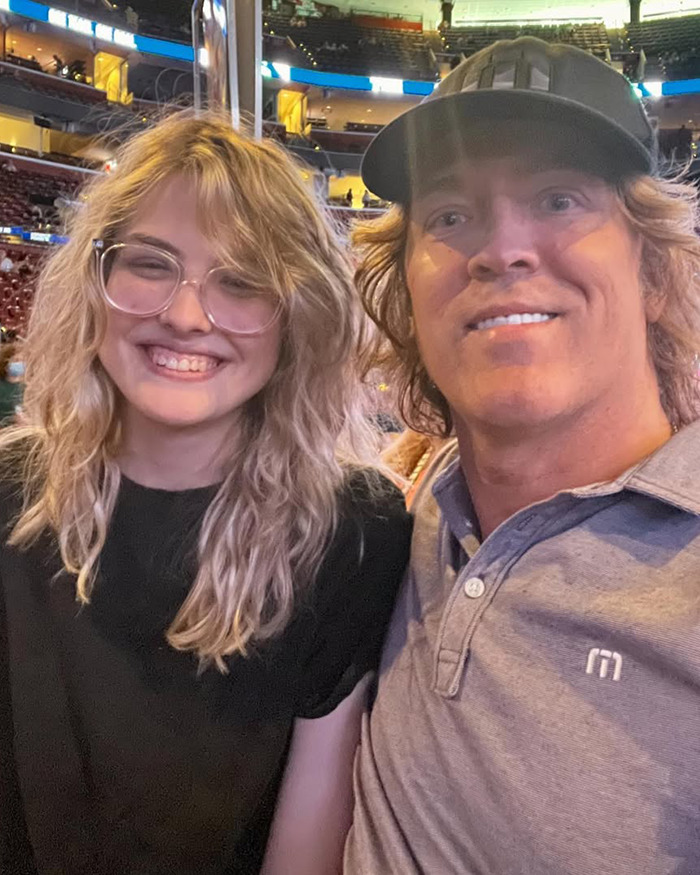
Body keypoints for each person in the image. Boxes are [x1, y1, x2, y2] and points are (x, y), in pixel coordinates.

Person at [0, 111, 411, 875]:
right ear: (96, 279)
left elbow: (305, 843)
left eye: (242, 280)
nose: (187, 316)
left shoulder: (357, 532)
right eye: (150, 264)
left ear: (297, 313)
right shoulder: (8, 494)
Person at [345, 37, 700, 874]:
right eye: (449, 215)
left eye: (558, 198)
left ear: (653, 271)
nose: (501, 248)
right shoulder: (405, 512)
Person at [0, 341, 23, 423]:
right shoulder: (2, 387)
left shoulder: (27, 388)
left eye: (23, 360)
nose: (20, 363)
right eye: (16, 360)